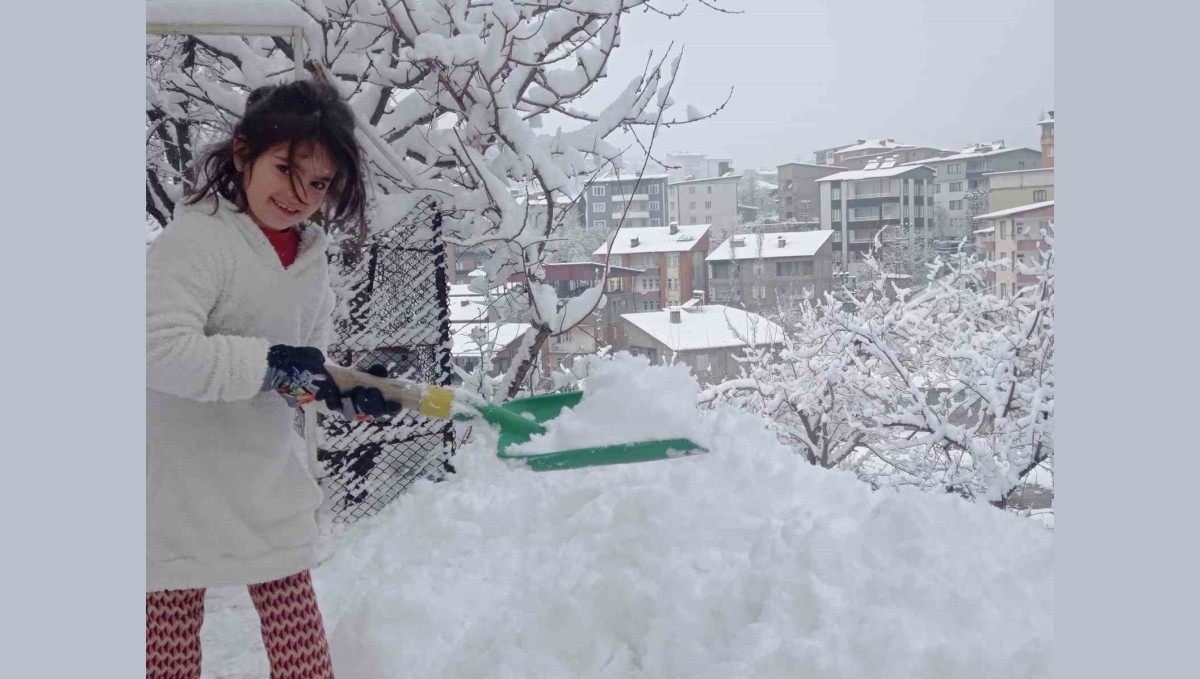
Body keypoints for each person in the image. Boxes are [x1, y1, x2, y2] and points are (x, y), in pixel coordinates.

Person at [146, 78, 398, 678]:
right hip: (178, 482)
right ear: (243, 154)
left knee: (303, 655)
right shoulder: (196, 241)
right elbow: (154, 348)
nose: (298, 194)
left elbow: (300, 364)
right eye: (285, 168)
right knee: (171, 653)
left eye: (317, 183)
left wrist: (341, 390)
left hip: (263, 478)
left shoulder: (309, 258)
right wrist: (268, 365)